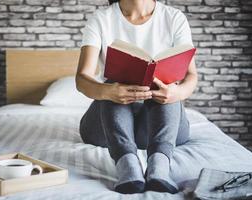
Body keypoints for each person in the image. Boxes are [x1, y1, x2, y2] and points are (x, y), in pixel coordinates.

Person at [75, 0, 198, 194]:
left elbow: (191, 75)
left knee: (166, 84)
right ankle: (128, 166)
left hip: (158, 124)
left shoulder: (174, 18)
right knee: (111, 83)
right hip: (108, 127)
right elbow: (82, 79)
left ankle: (159, 167)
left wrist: (176, 93)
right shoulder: (101, 19)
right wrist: (109, 91)